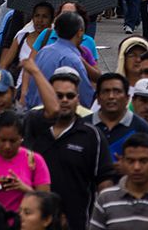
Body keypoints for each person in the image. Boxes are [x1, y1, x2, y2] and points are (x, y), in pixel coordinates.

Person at [22, 65, 115, 230]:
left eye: (70, 96)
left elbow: (104, 181)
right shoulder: (32, 125)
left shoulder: (91, 135)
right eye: (58, 95)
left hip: (77, 223)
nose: (64, 100)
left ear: (77, 99)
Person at [89, 132, 148, 230]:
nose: (137, 167)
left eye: (144, 161)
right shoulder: (106, 199)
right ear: (122, 162)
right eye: (130, 161)